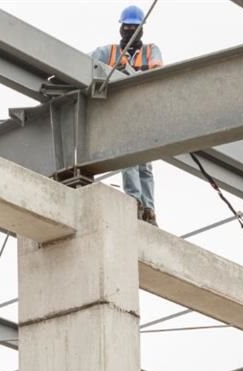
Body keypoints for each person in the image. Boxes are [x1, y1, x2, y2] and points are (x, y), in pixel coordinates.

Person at [91, 5, 163, 226]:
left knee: (144, 164)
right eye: (127, 27)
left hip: (142, 111)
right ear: (121, 27)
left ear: (141, 29)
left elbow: (156, 72)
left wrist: (129, 72)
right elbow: (85, 63)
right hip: (122, 112)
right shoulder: (109, 52)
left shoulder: (150, 50)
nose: (130, 31)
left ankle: (148, 208)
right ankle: (134, 202)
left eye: (134, 27)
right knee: (129, 159)